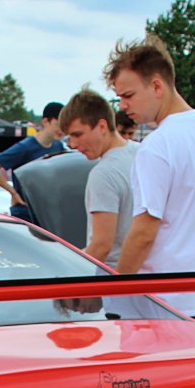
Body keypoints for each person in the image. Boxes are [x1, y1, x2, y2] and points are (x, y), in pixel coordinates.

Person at [104, 36, 195, 327]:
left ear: (157, 86)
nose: (122, 106)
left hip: (161, 301)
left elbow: (144, 230)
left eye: (128, 95)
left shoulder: (157, 145)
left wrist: (117, 292)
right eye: (119, 97)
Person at [60, 89, 136, 269]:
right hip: (150, 276)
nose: (73, 144)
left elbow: (101, 246)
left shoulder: (103, 174)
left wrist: (67, 272)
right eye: (69, 137)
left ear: (102, 126)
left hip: (112, 276)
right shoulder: (143, 153)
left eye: (78, 134)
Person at [0, 100, 69, 221]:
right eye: (57, 124)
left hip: (46, 211)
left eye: (64, 126)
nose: (61, 130)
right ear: (45, 121)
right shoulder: (25, 147)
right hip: (25, 211)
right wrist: (13, 193)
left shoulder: (58, 146)